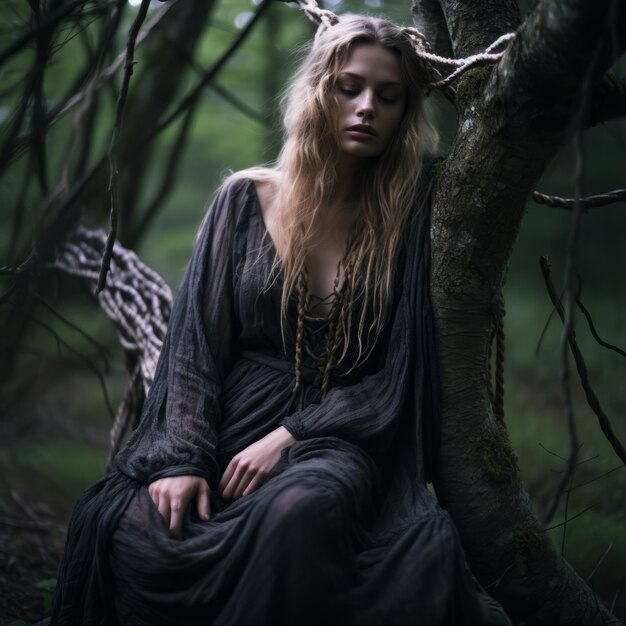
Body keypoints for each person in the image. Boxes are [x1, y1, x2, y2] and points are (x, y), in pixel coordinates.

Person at [51, 14, 512, 626]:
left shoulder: (416, 217)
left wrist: (291, 434)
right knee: (132, 525)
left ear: (406, 111)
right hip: (227, 426)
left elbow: (397, 372)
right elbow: (194, 350)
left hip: (339, 436)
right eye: (350, 87)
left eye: (389, 95)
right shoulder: (244, 199)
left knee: (301, 511)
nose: (367, 106)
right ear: (318, 88)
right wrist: (184, 460)